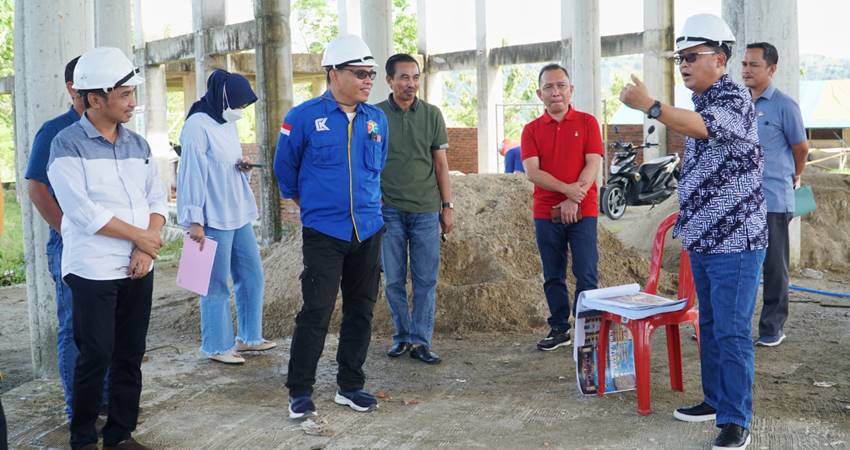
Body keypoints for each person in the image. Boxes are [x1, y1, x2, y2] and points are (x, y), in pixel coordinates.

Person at [619, 14, 766, 450]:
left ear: (719, 59)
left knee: (732, 330)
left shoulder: (734, 99)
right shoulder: (702, 102)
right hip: (705, 240)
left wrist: (651, 105)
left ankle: (736, 419)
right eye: (679, 58)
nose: (682, 65)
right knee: (710, 323)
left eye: (690, 57)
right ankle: (715, 400)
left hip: (736, 242)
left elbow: (703, 128)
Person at [47, 47, 167, 450]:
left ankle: (119, 434)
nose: (133, 103)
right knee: (95, 355)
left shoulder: (138, 144)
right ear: (95, 99)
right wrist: (140, 237)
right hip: (93, 268)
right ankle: (82, 437)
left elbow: (156, 199)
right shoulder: (66, 144)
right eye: (125, 95)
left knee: (130, 355)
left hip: (138, 265)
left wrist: (146, 248)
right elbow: (83, 212)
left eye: (133, 93)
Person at [274, 34, 388, 419]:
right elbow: (284, 172)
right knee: (317, 311)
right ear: (333, 73)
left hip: (369, 229)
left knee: (362, 309)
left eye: (371, 74)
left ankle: (350, 385)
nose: (368, 80)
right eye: (360, 73)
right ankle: (300, 390)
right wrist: (314, 206)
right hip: (325, 232)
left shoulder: (377, 119)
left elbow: (378, 168)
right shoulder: (302, 118)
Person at [24, 56, 111, 421]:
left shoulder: (110, 131)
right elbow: (37, 187)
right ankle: (79, 406)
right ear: (72, 89)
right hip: (71, 244)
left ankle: (103, 398)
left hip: (109, 241)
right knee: (74, 326)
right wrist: (68, 229)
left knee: (105, 326)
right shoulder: (55, 131)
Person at [177, 69, 275, 365]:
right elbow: (191, 174)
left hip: (237, 212)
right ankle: (216, 345)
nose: (240, 111)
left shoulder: (226, 123)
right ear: (222, 97)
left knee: (252, 275)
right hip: (211, 216)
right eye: (238, 104)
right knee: (214, 283)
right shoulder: (197, 126)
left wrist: (240, 166)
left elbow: (223, 163)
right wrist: (195, 219)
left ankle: (249, 338)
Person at [376, 53, 452, 365]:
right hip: (387, 211)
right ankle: (401, 336)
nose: (411, 83)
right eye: (404, 77)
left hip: (426, 210)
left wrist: (447, 207)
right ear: (389, 80)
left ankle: (421, 341)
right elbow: (367, 164)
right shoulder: (374, 114)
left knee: (425, 281)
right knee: (393, 279)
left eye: (415, 77)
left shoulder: (432, 114)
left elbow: (441, 165)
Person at [521, 63, 603, 352]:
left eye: (561, 85)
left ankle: (587, 329)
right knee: (553, 273)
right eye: (548, 87)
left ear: (571, 89)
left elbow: (593, 163)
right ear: (539, 93)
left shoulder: (588, 122)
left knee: (586, 270)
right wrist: (567, 191)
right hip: (545, 211)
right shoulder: (531, 130)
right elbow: (533, 172)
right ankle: (559, 328)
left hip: (584, 208)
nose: (555, 92)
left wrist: (573, 197)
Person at [742, 42, 809, 347]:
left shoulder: (785, 106)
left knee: (773, 266)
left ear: (771, 69)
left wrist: (794, 175)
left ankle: (772, 328)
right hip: (741, 201)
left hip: (773, 198)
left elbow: (801, 148)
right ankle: (734, 326)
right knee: (738, 265)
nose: (746, 70)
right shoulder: (738, 104)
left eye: (754, 65)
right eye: (744, 64)